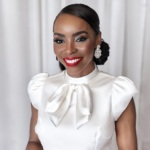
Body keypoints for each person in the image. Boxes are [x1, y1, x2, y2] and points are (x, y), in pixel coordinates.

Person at [26, 3, 137, 150]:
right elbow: (35, 143)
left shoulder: (118, 92)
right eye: (60, 40)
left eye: (80, 39)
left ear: (98, 38)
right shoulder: (40, 88)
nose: (69, 49)